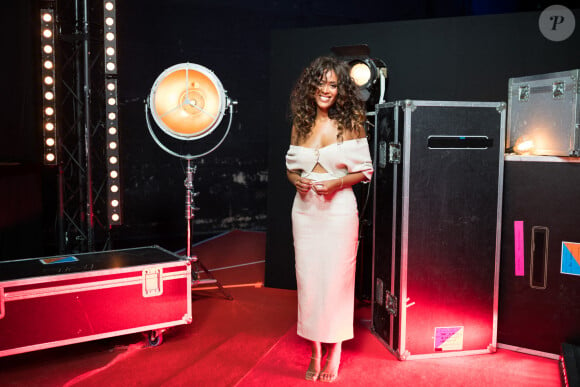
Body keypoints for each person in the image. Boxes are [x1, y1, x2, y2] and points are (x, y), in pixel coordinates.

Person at [285, 56, 373, 382]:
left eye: (333, 84)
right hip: (304, 212)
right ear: (311, 86)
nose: (326, 90)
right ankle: (315, 350)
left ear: (340, 90)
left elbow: (365, 171)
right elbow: (290, 169)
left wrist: (336, 182)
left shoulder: (351, 122)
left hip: (338, 213)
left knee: (337, 282)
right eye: (320, 83)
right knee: (309, 281)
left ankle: (335, 349)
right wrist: (298, 181)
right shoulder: (301, 123)